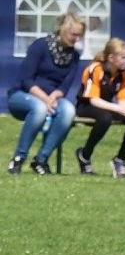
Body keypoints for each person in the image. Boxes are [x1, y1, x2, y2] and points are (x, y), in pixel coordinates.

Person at [7, 13, 85, 176]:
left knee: (68, 110)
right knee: (40, 108)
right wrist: (45, 99)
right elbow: (26, 80)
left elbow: (64, 86)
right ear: (63, 30)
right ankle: (18, 158)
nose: (77, 39)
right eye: (74, 34)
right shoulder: (40, 46)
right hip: (23, 95)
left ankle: (41, 160)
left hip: (52, 98)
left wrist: (53, 98)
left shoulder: (74, 56)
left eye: (80, 35)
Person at [75, 38, 125, 178]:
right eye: (123, 58)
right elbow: (94, 100)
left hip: (107, 106)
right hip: (86, 106)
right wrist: (118, 108)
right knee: (105, 118)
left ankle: (120, 159)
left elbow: (123, 100)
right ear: (111, 58)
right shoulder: (95, 69)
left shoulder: (124, 73)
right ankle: (84, 155)